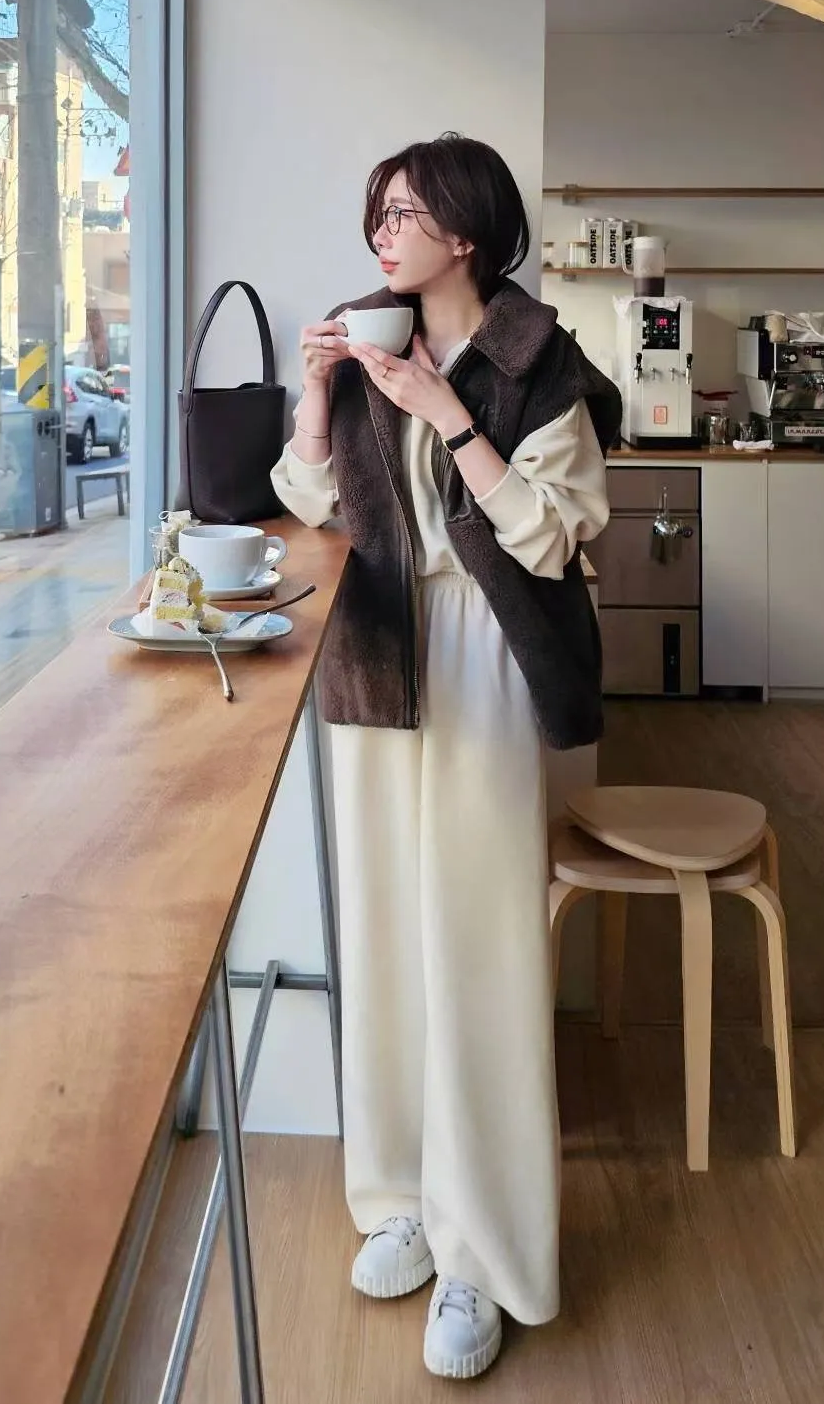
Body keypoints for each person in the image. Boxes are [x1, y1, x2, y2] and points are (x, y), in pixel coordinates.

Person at [272, 133, 621, 1382]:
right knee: (384, 936)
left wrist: (449, 413)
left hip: (483, 649)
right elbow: (314, 501)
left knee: (478, 949)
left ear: (466, 231)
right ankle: (402, 1198)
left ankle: (486, 1250)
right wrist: (318, 393)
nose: (382, 232)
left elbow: (557, 535)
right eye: (378, 212)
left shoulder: (538, 359)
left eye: (406, 212)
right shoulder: (371, 339)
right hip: (376, 652)